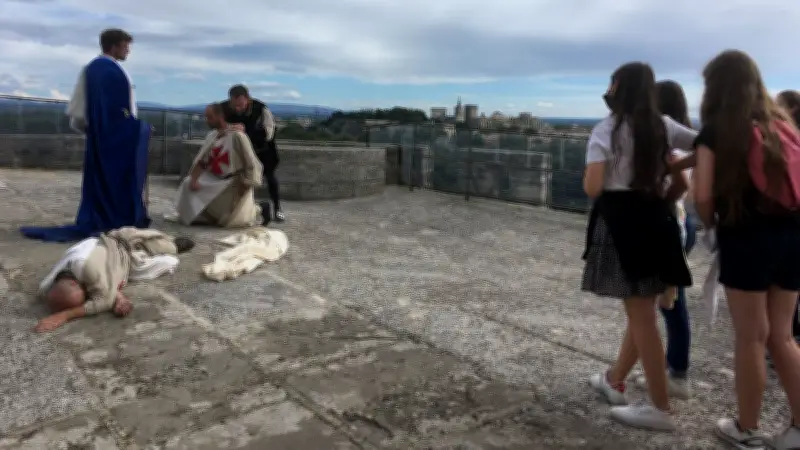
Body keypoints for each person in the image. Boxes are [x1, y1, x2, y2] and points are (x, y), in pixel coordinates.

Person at [691, 50, 800, 449]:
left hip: (747, 236)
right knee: (782, 337)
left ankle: (747, 429)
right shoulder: (782, 126)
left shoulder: (717, 132)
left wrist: (710, 223)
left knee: (751, 337)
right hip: (793, 235)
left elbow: (703, 196)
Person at [582, 62, 697, 431]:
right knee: (646, 313)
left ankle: (660, 408)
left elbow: (593, 186)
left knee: (642, 318)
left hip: (622, 223)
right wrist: (670, 169)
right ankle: (624, 383)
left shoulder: (607, 129)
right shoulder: (663, 125)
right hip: (657, 219)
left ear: (618, 87)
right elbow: (708, 145)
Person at [20, 29, 151, 243]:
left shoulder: (99, 68)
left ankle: (112, 217)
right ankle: (113, 218)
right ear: (114, 46)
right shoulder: (106, 70)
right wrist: (137, 128)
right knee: (113, 180)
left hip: (107, 136)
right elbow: (114, 112)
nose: (128, 51)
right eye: (125, 46)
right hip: (112, 139)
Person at [629, 80, 697, 400]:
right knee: (669, 301)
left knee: (663, 304)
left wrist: (660, 205)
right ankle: (672, 370)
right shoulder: (686, 139)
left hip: (670, 224)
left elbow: (679, 184)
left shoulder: (667, 142)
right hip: (683, 222)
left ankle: (676, 374)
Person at [35, 228, 195, 332]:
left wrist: (64, 316)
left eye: (85, 293)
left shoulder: (88, 269)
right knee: (166, 263)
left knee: (169, 256)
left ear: (74, 282)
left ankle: (174, 244)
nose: (88, 296)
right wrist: (118, 298)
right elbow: (101, 292)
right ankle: (115, 290)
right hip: (111, 263)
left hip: (123, 247)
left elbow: (103, 300)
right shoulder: (47, 285)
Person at [173, 103, 265, 227]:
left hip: (233, 183)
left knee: (231, 220)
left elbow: (251, 163)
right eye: (206, 117)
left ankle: (260, 209)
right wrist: (194, 179)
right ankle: (202, 216)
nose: (207, 120)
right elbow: (202, 160)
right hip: (214, 179)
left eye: (210, 117)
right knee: (187, 183)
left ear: (220, 116)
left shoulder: (238, 136)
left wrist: (246, 185)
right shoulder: (212, 136)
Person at [221, 84, 284, 222]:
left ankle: (277, 208)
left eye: (241, 105)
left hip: (263, 150)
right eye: (235, 105)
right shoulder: (223, 108)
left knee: (270, 177)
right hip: (238, 151)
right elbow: (217, 126)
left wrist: (246, 132)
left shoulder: (261, 109)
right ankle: (238, 209)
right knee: (235, 179)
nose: (238, 109)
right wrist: (230, 127)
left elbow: (269, 133)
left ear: (247, 99)